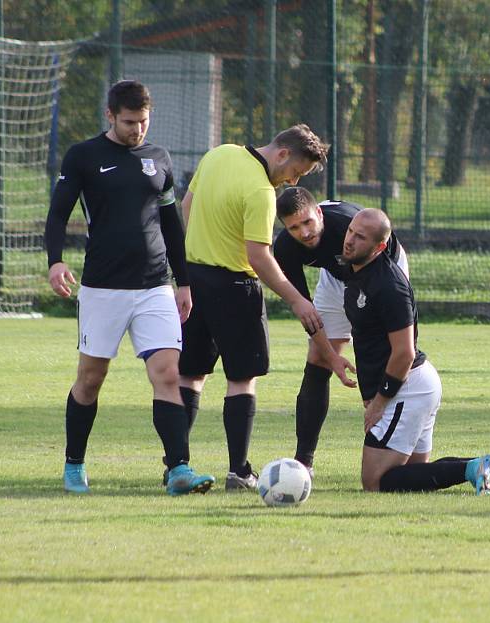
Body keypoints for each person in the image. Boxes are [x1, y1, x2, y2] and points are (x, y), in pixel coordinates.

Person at [45, 79, 215, 496]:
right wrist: (55, 261)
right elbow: (57, 214)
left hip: (155, 285)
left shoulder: (159, 158)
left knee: (168, 374)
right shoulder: (84, 156)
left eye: (143, 121)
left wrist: (184, 281)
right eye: (128, 122)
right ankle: (74, 465)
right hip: (103, 288)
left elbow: (172, 224)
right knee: (91, 378)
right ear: (110, 115)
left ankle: (178, 470)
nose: (137, 129)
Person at [342, 209, 490, 495]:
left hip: (407, 386)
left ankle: (474, 467)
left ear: (378, 247)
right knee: (411, 477)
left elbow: (404, 352)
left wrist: (378, 403)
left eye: (360, 237)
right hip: (414, 386)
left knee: (376, 482)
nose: (349, 240)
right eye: (350, 231)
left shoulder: (389, 284)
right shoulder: (355, 270)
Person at [177, 125, 332, 492]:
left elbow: (186, 205)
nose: (292, 181)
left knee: (190, 375)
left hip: (195, 280)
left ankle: (177, 465)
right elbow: (258, 257)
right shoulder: (262, 191)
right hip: (235, 288)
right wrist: (296, 298)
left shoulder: (218, 154)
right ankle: (238, 471)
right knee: (242, 379)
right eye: (295, 172)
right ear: (281, 154)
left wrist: (195, 256)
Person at [273, 187, 408, 477]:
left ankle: (394, 445)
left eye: (308, 222)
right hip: (337, 277)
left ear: (319, 213)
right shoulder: (285, 247)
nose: (304, 232)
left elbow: (378, 256)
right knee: (318, 358)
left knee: (386, 354)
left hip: (381, 266)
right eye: (294, 227)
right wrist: (332, 357)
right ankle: (303, 463)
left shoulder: (346, 225)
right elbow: (306, 311)